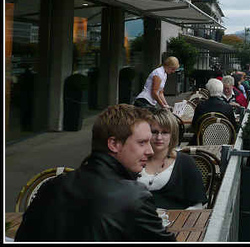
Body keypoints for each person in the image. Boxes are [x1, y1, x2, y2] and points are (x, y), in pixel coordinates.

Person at [15, 104, 176, 241]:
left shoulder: (52, 186)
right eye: (142, 143)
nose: (150, 150)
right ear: (113, 144)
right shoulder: (134, 197)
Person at [138, 109, 208, 210]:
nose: (159, 137)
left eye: (165, 132)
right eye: (154, 132)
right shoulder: (135, 160)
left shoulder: (185, 162)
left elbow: (198, 204)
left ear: (173, 135)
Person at [190, 78, 237, 145]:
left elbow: (194, 125)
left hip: (201, 142)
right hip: (224, 141)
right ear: (221, 90)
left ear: (208, 90)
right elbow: (233, 127)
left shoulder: (200, 106)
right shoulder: (227, 107)